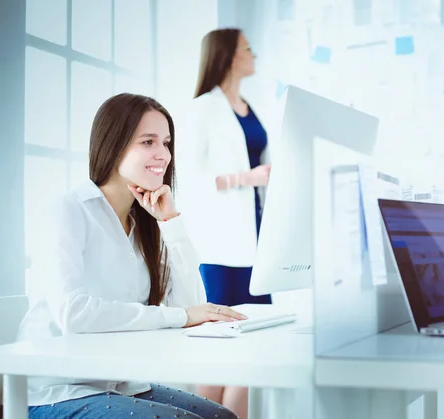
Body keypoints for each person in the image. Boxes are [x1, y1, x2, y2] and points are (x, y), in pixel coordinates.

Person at [17, 93, 244, 419]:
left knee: (223, 416)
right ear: (114, 145)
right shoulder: (70, 210)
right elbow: (73, 313)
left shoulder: (145, 226)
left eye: (166, 143)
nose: (163, 154)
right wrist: (182, 316)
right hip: (58, 391)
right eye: (148, 142)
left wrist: (171, 224)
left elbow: (193, 305)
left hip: (118, 384)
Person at [175, 28, 273, 418]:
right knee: (220, 346)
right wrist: (244, 178)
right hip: (220, 245)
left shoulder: (248, 107)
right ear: (230, 56)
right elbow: (188, 176)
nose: (255, 54)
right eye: (249, 48)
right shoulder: (203, 108)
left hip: (258, 241)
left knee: (253, 346)